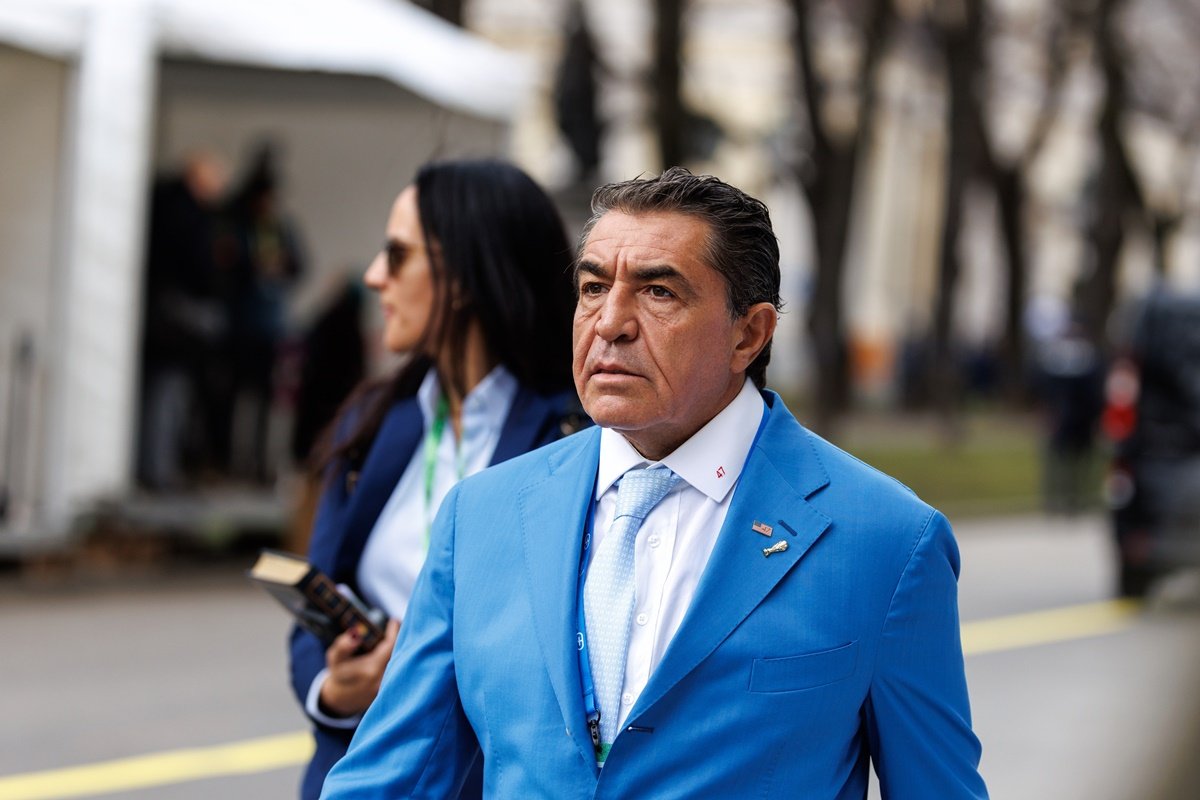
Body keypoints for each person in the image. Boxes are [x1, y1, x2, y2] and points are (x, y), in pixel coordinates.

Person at [321, 168, 987, 799]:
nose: (610, 322)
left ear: (749, 334)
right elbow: (389, 779)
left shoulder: (887, 540)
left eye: (658, 292)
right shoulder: (481, 516)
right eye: (592, 288)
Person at [289, 159, 585, 800]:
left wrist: (421, 675)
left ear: (462, 277)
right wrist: (335, 689)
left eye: (397, 256)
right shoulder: (372, 420)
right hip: (356, 772)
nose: (374, 275)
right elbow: (316, 605)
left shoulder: (575, 438)